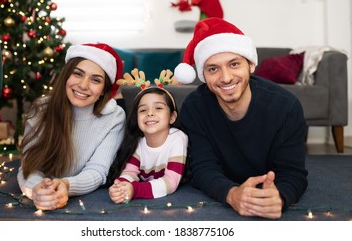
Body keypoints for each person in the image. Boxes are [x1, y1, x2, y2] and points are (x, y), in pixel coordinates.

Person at [174, 17, 308, 219]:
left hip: (269, 181)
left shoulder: (286, 107)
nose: (226, 77)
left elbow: (293, 172)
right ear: (203, 75)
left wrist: (279, 197)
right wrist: (231, 194)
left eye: (234, 64)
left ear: (251, 65)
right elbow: (202, 167)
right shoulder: (195, 107)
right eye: (213, 69)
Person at [17, 43, 126, 210]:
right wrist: (35, 190)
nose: (83, 85)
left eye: (95, 80)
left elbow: (97, 171)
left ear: (104, 90)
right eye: (77, 74)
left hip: (85, 199)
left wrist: (66, 185)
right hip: (44, 189)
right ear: (66, 76)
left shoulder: (114, 116)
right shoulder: (41, 109)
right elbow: (29, 165)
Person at [108, 87, 188, 203]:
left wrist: (134, 190)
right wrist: (120, 186)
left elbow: (170, 182)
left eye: (159, 108)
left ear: (172, 117)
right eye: (143, 110)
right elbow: (130, 172)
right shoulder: (138, 143)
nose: (150, 113)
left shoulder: (178, 138)